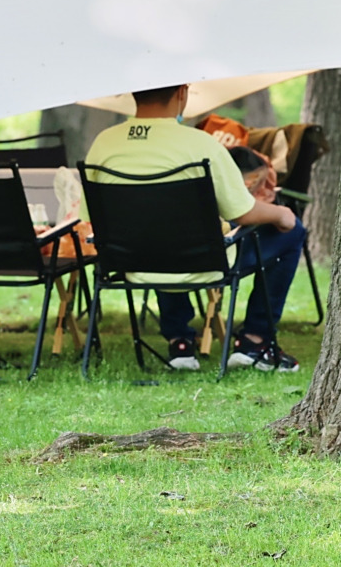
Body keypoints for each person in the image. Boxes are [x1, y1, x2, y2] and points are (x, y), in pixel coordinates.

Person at [84, 83, 306, 372]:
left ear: (132, 93)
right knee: (293, 232)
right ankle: (255, 340)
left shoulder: (104, 143)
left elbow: (89, 215)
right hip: (200, 261)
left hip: (130, 261)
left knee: (157, 232)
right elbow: (244, 212)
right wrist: (281, 214)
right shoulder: (201, 144)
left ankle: (179, 342)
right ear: (181, 94)